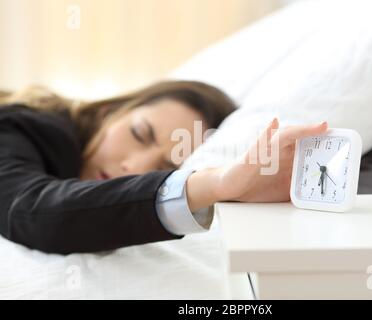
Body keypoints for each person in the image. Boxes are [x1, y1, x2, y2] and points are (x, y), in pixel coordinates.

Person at [0, 81, 327, 254]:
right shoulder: (29, 126)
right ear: (110, 112)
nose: (134, 167)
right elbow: (30, 210)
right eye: (139, 134)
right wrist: (215, 184)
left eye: (164, 167)